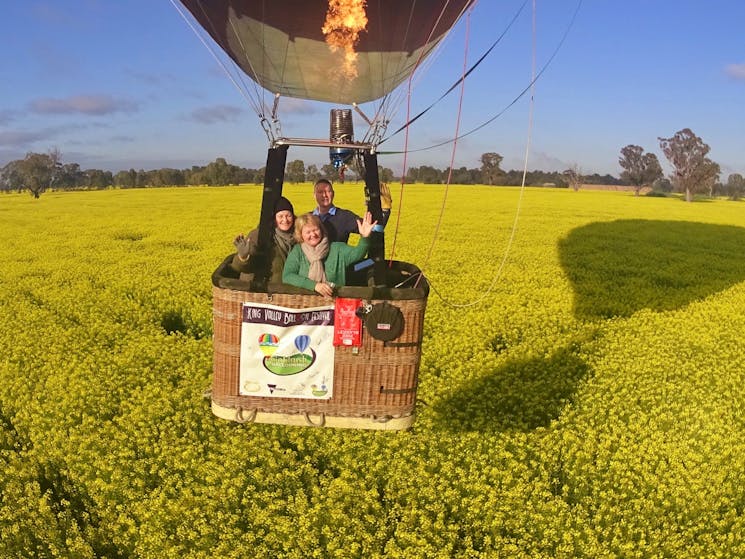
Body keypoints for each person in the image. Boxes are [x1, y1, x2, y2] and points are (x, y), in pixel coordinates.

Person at [283, 211, 377, 298]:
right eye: (308, 232)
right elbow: (288, 276)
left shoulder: (337, 248)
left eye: (315, 230)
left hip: (334, 303)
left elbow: (358, 254)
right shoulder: (297, 251)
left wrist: (365, 237)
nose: (313, 234)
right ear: (300, 235)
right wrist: (314, 285)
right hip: (305, 304)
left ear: (321, 230)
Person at [230, 196, 296, 285]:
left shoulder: (299, 236)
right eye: (280, 216)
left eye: (288, 215)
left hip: (284, 293)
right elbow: (241, 268)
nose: (285, 220)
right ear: (274, 218)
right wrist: (243, 257)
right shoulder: (259, 235)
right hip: (260, 291)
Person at [311, 178, 391, 243]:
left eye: (328, 192)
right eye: (320, 192)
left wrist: (385, 211)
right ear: (314, 195)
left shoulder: (345, 217)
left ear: (333, 194)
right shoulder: (307, 219)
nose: (324, 195)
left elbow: (374, 229)